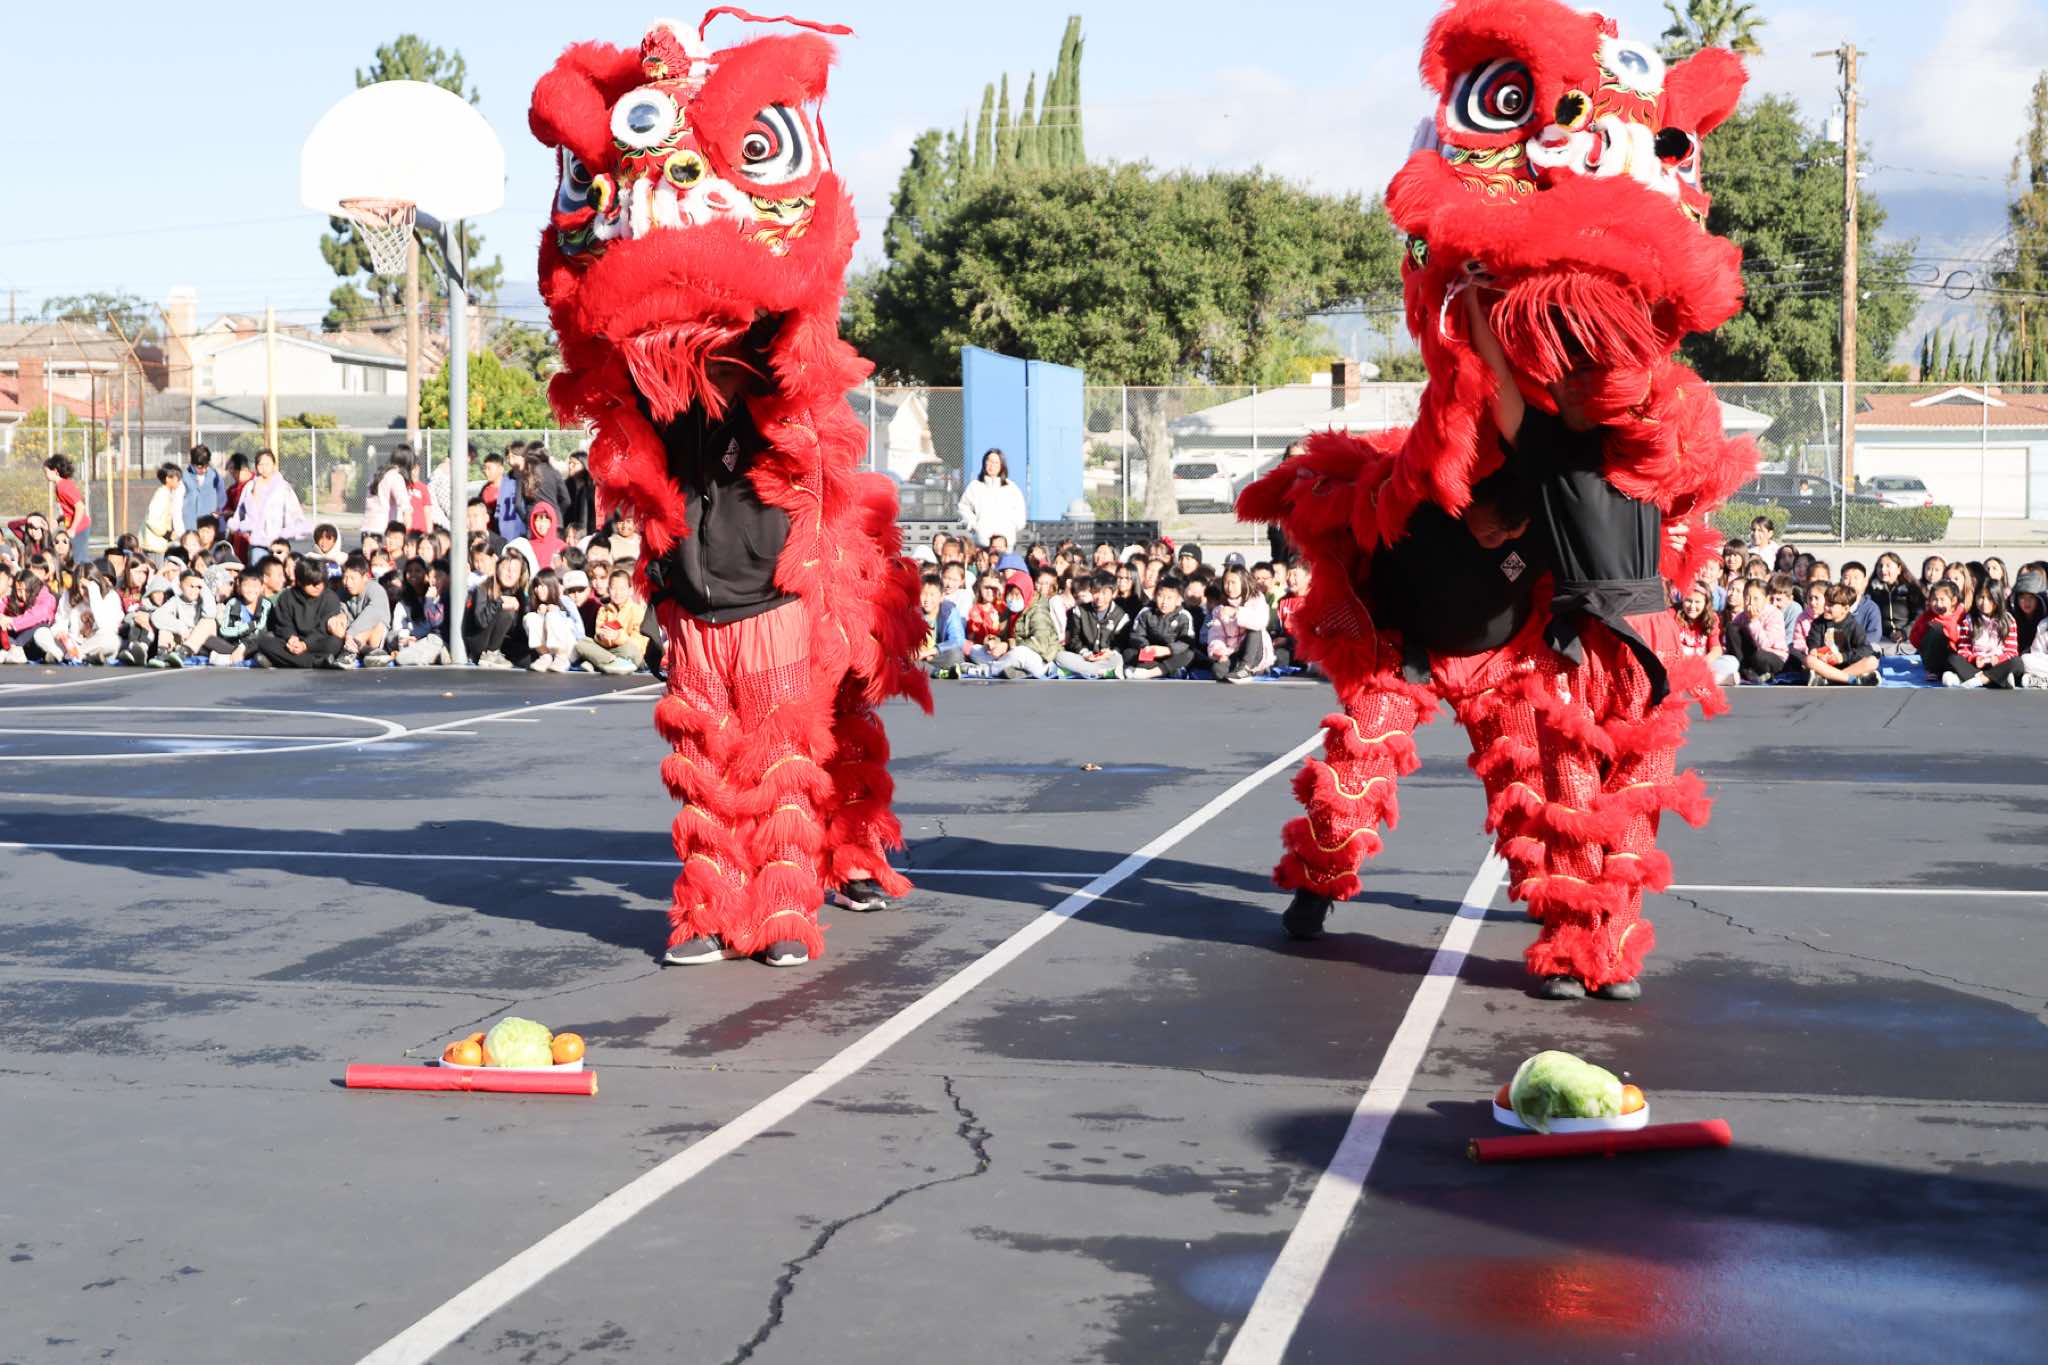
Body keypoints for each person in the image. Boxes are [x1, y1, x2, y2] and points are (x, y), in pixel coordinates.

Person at [252, 557, 347, 669]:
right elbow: (283, 624)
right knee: (263, 642)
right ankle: (316, 662)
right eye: (312, 583)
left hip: (318, 642)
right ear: (300, 581)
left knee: (335, 642)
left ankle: (286, 661)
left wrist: (306, 644)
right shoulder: (287, 597)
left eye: (321, 582)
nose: (317, 586)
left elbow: (324, 629)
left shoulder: (330, 597)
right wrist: (291, 637)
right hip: (294, 642)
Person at [30, 563, 119, 664]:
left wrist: (94, 594)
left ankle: (77, 656)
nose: (84, 592)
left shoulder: (111, 596)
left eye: (87, 588)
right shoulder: (69, 595)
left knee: (113, 640)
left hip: (93, 644)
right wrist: (60, 632)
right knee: (40, 633)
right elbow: (60, 621)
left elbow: (106, 627)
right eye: (81, 587)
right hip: (71, 644)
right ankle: (61, 654)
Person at [227, 449, 311, 552]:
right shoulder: (250, 486)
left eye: (267, 464)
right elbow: (241, 512)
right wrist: (241, 528)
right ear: (256, 467)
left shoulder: (283, 487)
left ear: (274, 465)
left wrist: (287, 532)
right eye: (261, 464)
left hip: (279, 541)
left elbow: (294, 511)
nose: (264, 468)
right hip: (257, 541)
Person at [1943, 581, 2023, 689]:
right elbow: (1964, 650)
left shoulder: (2008, 621)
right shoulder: (1968, 620)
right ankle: (1997, 680)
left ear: (1998, 599)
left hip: (1998, 665)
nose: (1984, 602)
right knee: (1953, 659)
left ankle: (1980, 679)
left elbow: (2011, 652)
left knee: (2017, 663)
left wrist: (1997, 659)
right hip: (1976, 665)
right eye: (1981, 597)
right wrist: (1974, 659)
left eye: (1990, 598)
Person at [1204, 563, 1273, 683]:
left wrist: (1236, 612)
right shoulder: (1219, 610)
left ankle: (1245, 669)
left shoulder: (1256, 599)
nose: (1229, 587)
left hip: (1255, 652)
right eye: (1226, 583)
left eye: (1233, 582)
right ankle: (1238, 670)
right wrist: (1219, 652)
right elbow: (1216, 635)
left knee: (1254, 630)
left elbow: (1261, 622)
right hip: (1233, 652)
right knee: (1218, 671)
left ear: (1243, 582)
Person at [1055, 570, 1128, 679]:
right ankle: (1102, 672)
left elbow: (1121, 644)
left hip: (1107, 658)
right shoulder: (1079, 611)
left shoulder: (1121, 616)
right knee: (1060, 656)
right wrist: (1086, 654)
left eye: (1104, 593)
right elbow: (1075, 639)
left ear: (1113, 593)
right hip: (1085, 658)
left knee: (1118, 659)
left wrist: (1110, 652)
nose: (1099, 597)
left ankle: (1084, 671)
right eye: (1096, 592)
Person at [1124, 579, 1197, 679]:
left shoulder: (1184, 616)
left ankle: (1153, 672)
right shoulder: (1146, 612)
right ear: (1155, 596)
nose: (1164, 602)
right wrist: (1145, 647)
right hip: (1150, 654)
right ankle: (1169, 671)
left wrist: (1168, 650)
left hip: (1172, 654)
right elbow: (1136, 635)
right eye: (1160, 596)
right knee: (1128, 653)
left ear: (1179, 600)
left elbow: (1186, 641)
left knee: (1189, 654)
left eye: (1169, 598)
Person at [958, 448, 1027, 548]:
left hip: (1005, 544)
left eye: (995, 462)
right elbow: (963, 507)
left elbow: (1020, 513)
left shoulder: (1011, 488)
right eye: (989, 461)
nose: (992, 465)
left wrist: (1012, 527)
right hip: (982, 542)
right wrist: (974, 526)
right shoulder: (975, 486)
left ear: (1002, 465)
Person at [998, 571, 1060, 680]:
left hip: (1041, 659)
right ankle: (1017, 671)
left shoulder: (1038, 611)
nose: (1012, 599)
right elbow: (1002, 636)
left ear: (1025, 593)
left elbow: (1041, 644)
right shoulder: (1008, 611)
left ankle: (986, 669)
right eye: (1010, 594)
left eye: (1017, 595)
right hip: (1011, 655)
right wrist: (993, 642)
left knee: (1018, 653)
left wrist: (1011, 645)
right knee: (977, 650)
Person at [333, 553, 392, 667]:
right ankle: (367, 652)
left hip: (376, 634)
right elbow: (341, 612)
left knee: (370, 628)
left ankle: (351, 653)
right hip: (350, 636)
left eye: (352, 578)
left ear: (365, 577)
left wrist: (351, 633)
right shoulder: (342, 592)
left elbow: (372, 613)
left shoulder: (375, 589)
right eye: (345, 577)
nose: (348, 582)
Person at [1675, 586, 1738, 687]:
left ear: (1705, 604)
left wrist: (1703, 663)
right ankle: (1713, 680)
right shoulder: (1673, 616)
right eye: (1688, 601)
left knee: (1732, 662)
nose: (1692, 606)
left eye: (1697, 602)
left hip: (1702, 665)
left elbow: (1716, 649)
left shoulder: (1711, 619)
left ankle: (1697, 680)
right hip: (1680, 665)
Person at [1865, 552, 1924, 655]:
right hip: (1882, 640)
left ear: (1899, 569)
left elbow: (1919, 616)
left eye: (1888, 566)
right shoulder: (1871, 590)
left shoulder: (1911, 589)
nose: (1883, 569)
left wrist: (1904, 633)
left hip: (1908, 639)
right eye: (1880, 566)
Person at [522, 568, 578, 672]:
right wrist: (541, 615)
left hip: (568, 650)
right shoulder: (535, 605)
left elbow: (579, 630)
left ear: (551, 586)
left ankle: (561, 659)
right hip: (550, 651)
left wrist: (558, 613)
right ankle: (545, 656)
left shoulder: (565, 601)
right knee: (530, 617)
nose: (539, 590)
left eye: (543, 586)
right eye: (537, 586)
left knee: (552, 615)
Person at [43, 455, 91, 563]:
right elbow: (69, 511)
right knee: (74, 558)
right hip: (76, 527)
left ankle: (90, 573)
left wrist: (73, 528)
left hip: (80, 527)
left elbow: (80, 507)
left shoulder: (63, 486)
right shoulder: (60, 486)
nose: (45, 474)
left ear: (55, 471)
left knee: (79, 559)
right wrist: (59, 520)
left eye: (46, 472)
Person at [140, 462, 187, 555]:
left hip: (158, 543)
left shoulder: (167, 493)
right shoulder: (161, 495)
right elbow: (152, 520)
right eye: (177, 479)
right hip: (154, 545)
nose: (179, 482)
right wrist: (166, 533)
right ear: (168, 479)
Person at [2016, 568, 2048, 689]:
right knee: (2025, 660)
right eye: (2023, 597)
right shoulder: (2044, 624)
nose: (2027, 602)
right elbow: (2037, 652)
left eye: (2031, 597)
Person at [562, 451, 597, 539]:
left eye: (574, 464)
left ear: (584, 465)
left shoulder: (592, 487)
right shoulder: (565, 485)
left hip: (588, 533)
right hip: (569, 532)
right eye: (570, 463)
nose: (570, 466)